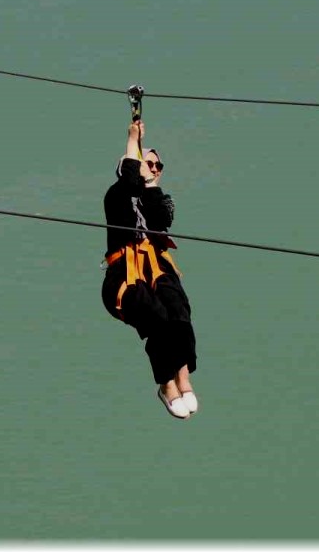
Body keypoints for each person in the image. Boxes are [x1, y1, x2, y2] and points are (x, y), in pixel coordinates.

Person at [101, 120, 199, 420]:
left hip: (156, 269)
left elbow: (162, 220)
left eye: (159, 165)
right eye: (149, 162)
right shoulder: (116, 196)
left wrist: (152, 185)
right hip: (125, 278)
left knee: (178, 310)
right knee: (156, 316)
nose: (154, 168)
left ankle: (183, 377)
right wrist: (133, 140)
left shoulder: (155, 199)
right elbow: (130, 180)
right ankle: (166, 384)